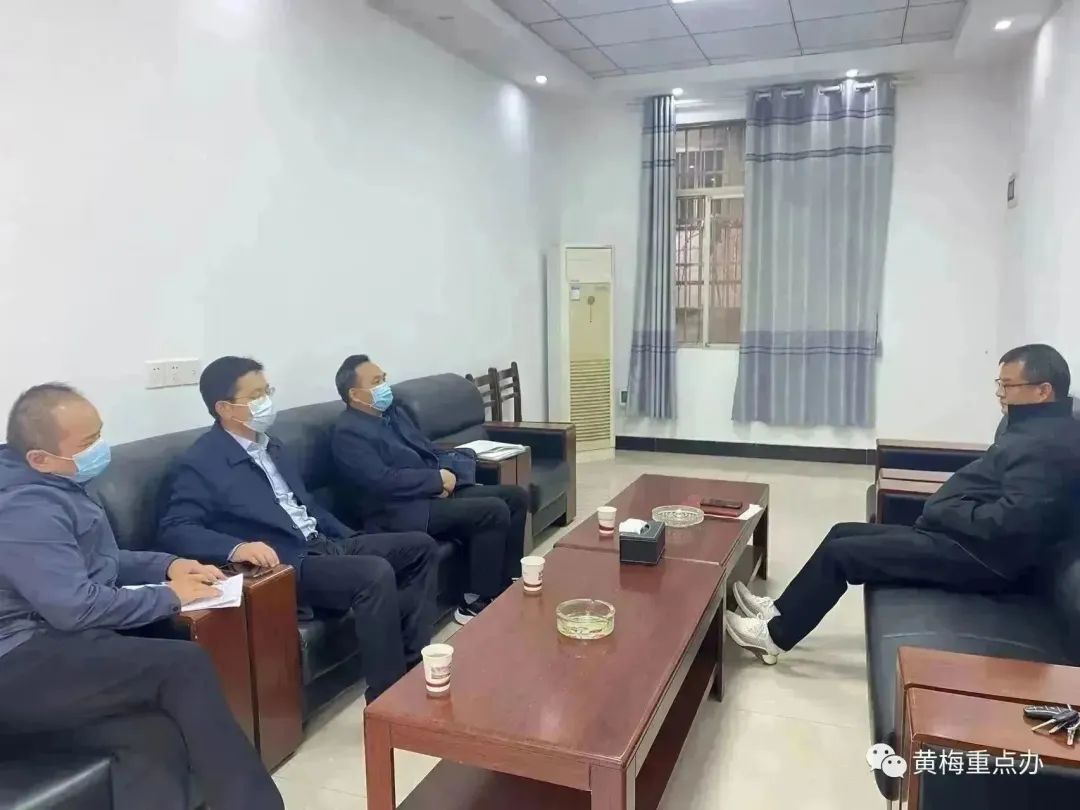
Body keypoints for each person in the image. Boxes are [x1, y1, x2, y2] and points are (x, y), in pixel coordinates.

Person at [0, 383, 282, 810]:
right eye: (88, 442)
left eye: (99, 433)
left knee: (152, 735)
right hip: (17, 664)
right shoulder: (24, 508)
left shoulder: (55, 483)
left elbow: (98, 561)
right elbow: (75, 607)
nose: (101, 449)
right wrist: (169, 596)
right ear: (40, 458)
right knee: (182, 665)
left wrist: (168, 565)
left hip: (48, 651)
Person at [727, 344, 1080, 664]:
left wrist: (950, 511)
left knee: (842, 556)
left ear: (1043, 390)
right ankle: (778, 610)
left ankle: (774, 637)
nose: (1000, 394)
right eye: (999, 384)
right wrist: (948, 509)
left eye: (1008, 386)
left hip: (981, 558)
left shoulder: (1048, 448)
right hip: (963, 539)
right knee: (841, 532)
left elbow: (1012, 522)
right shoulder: (1033, 429)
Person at [156, 356, 437, 702]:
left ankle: (411, 662)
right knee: (374, 573)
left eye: (267, 391)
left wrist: (350, 537)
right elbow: (176, 528)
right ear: (224, 408)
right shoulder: (201, 463)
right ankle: (387, 698)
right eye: (255, 395)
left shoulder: (272, 445)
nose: (266, 401)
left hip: (322, 543)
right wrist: (237, 548)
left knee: (420, 547)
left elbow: (306, 505)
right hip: (287, 561)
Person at [330, 354, 528, 624]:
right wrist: (435, 481)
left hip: (431, 492)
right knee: (491, 510)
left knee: (515, 497)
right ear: (355, 394)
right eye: (376, 382)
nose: (384, 386)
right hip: (398, 511)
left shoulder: (392, 414)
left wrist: (446, 474)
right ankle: (476, 601)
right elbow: (380, 481)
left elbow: (426, 448)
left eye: (384, 378)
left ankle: (508, 580)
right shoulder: (348, 433)